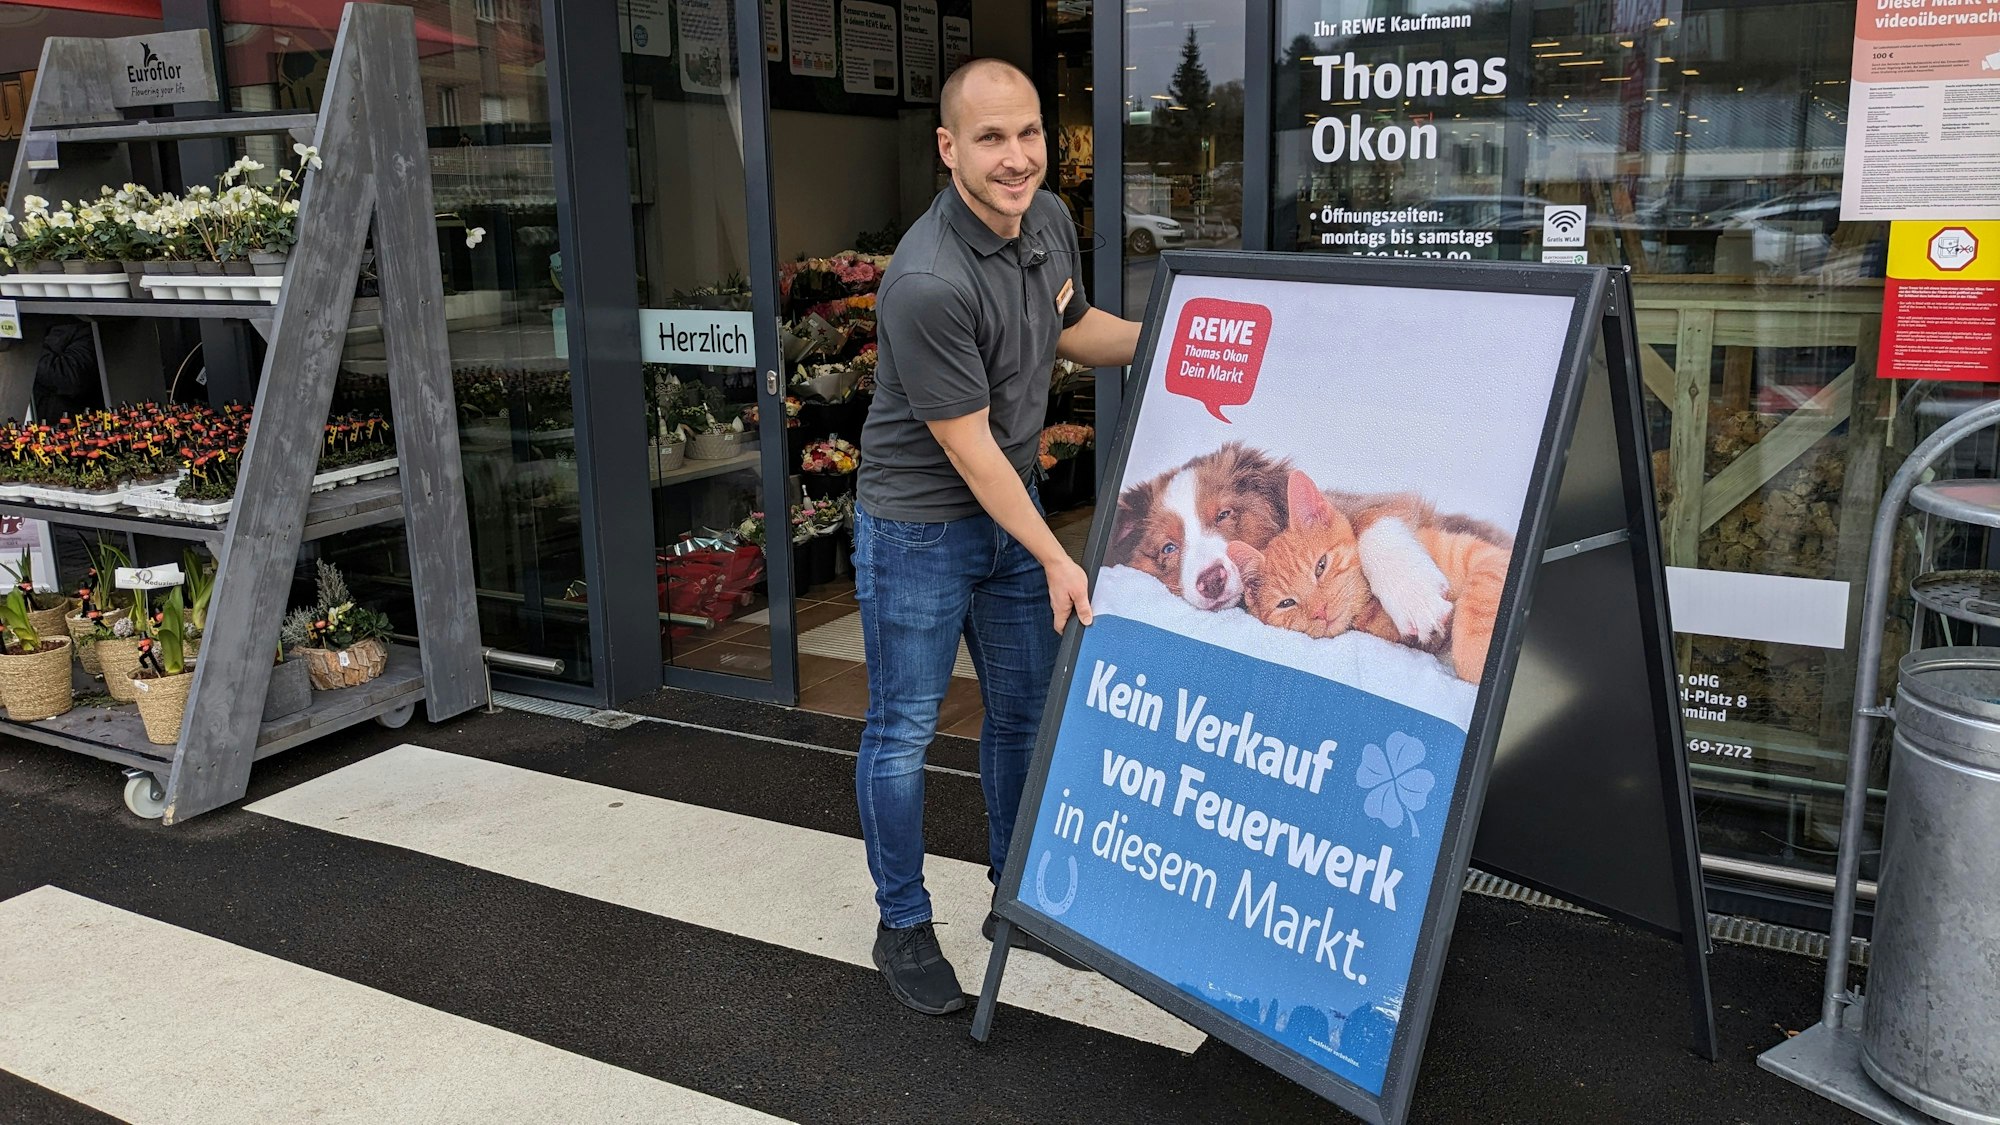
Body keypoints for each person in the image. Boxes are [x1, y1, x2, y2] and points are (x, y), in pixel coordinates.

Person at [854, 57, 1142, 1016]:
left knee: (1023, 716)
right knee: (903, 733)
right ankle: (901, 922)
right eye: (990, 138)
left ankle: (1015, 899)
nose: (1016, 157)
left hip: (1005, 517)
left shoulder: (1047, 221)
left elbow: (1076, 324)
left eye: (1029, 134)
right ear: (948, 150)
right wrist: (1057, 552)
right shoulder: (926, 282)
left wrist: (1180, 333)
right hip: (919, 530)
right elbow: (973, 454)